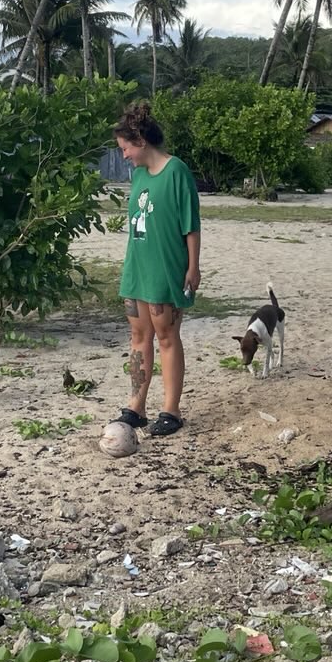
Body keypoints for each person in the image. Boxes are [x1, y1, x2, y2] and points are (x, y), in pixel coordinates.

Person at [112, 101, 201, 437]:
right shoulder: (137, 176)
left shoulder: (176, 171)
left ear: (141, 141)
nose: (123, 156)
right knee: (138, 337)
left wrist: (193, 267)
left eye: (124, 149)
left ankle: (171, 410)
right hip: (137, 267)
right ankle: (136, 406)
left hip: (166, 268)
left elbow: (190, 224)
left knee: (167, 336)